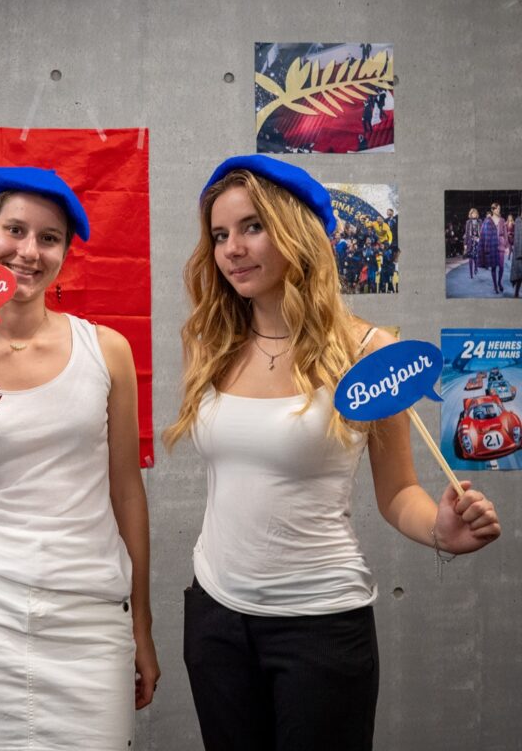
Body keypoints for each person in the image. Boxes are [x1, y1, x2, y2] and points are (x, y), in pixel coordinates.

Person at [163, 155, 501, 751]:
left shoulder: (369, 350)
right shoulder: (209, 342)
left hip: (320, 625)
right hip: (215, 618)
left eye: (252, 227)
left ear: (297, 231)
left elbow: (398, 492)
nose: (232, 249)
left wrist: (443, 530)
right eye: (219, 235)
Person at [0, 166, 159, 751]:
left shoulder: (106, 351)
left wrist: (140, 623)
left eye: (49, 238)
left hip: (90, 617)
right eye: (14, 230)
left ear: (64, 252)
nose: (28, 252)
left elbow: (126, 493)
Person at [478, 202, 507, 295]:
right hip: (492, 244)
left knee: (501, 266)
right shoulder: (488, 220)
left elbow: (505, 233)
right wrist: (485, 245)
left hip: (501, 244)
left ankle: (499, 282)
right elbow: (484, 233)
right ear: (493, 210)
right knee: (493, 267)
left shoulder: (502, 220)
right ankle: (495, 285)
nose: (499, 210)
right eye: (497, 209)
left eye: (499, 209)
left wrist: (506, 245)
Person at [463, 207, 482, 279]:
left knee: (476, 257)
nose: (474, 214)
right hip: (470, 242)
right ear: (470, 214)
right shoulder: (468, 222)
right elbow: (466, 233)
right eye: (472, 213)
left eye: (475, 213)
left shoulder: (480, 221)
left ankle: (476, 268)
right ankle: (471, 274)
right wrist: (465, 244)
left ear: (477, 214)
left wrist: (480, 239)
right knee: (470, 258)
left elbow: (481, 232)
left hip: (477, 241)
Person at [510, 214, 522, 297]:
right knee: (518, 275)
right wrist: (519, 252)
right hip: (519, 251)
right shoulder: (518, 221)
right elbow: (518, 237)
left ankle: (516, 293)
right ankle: (516, 293)